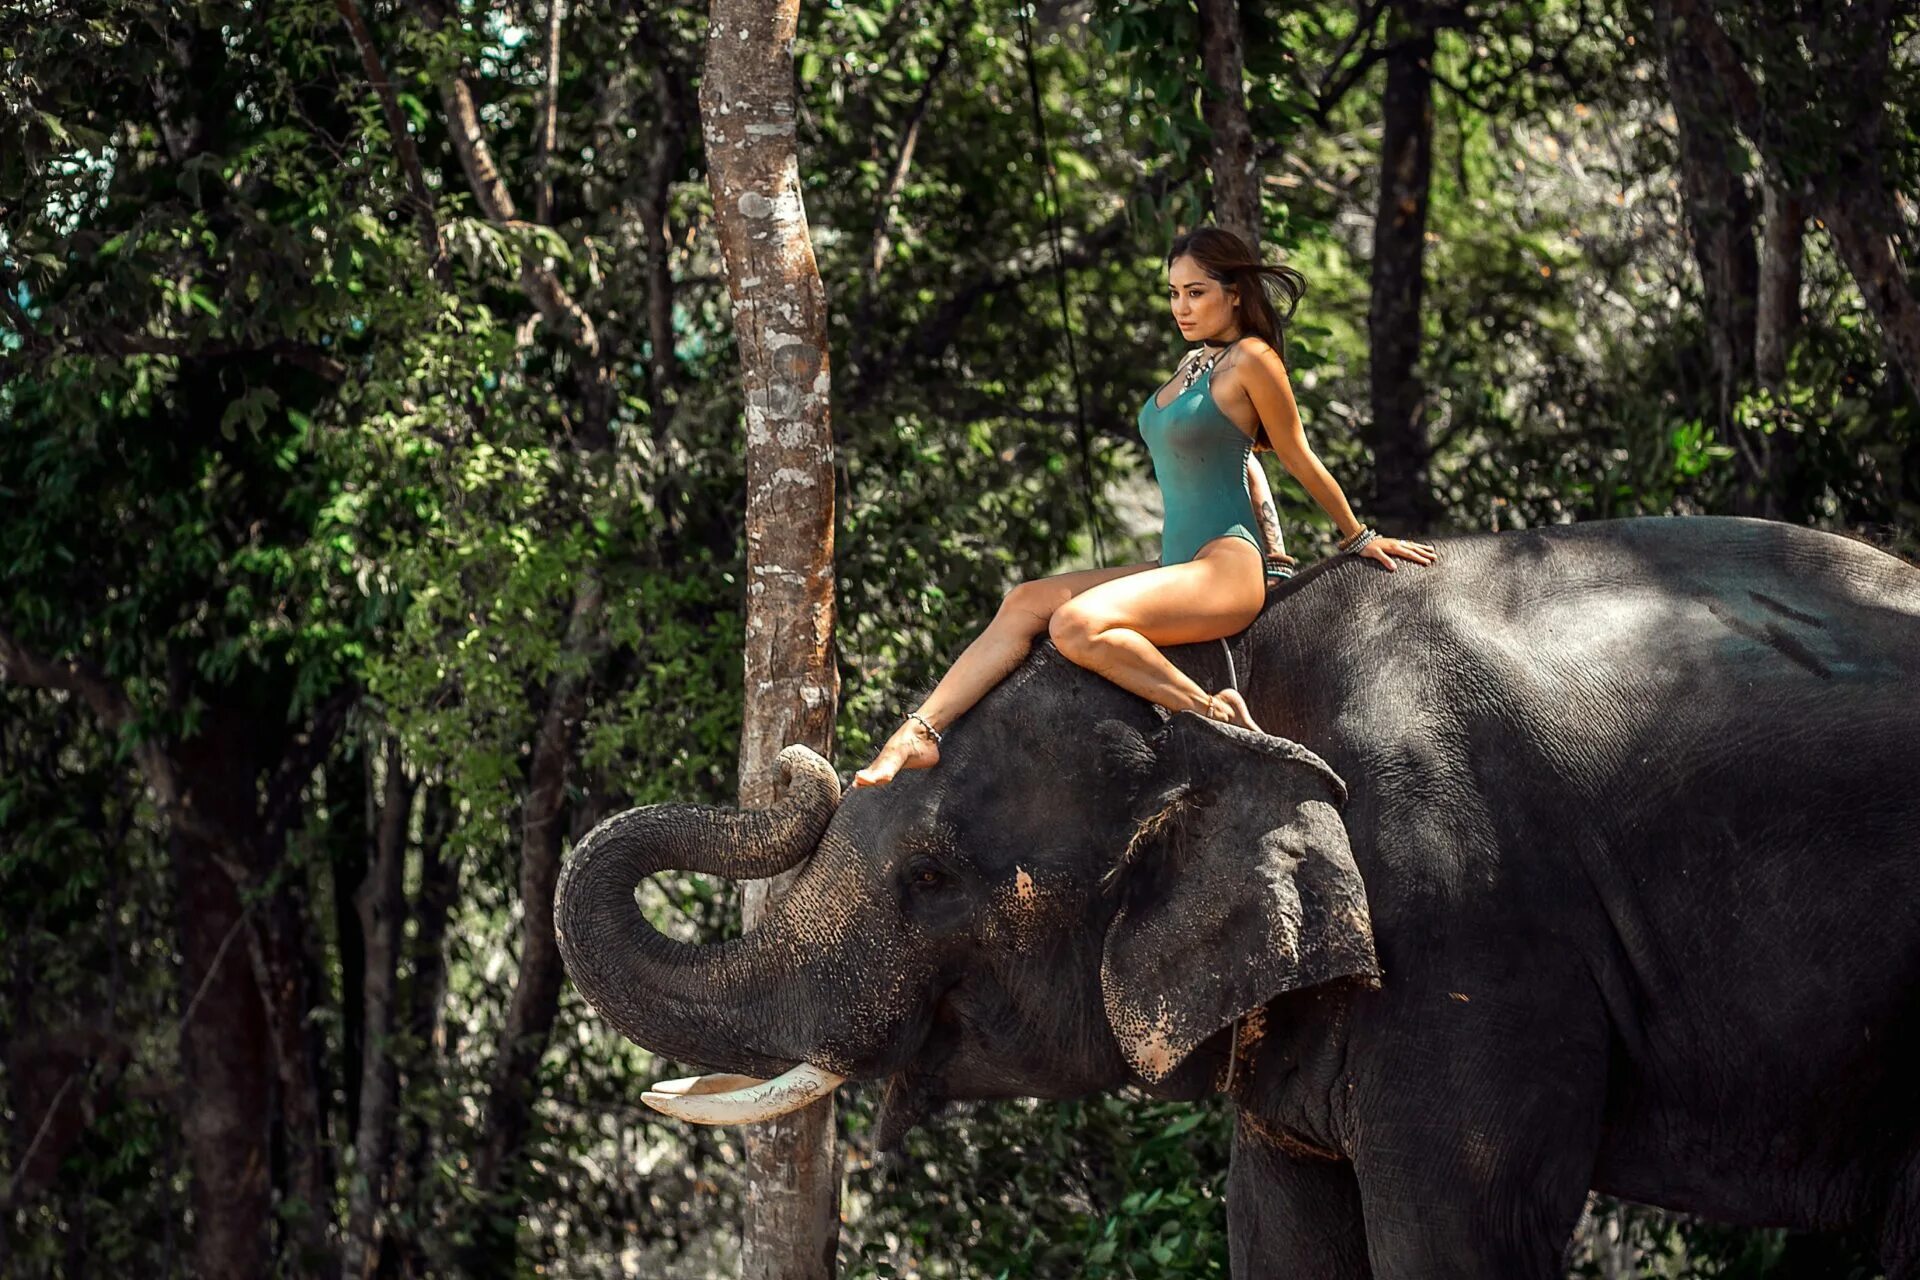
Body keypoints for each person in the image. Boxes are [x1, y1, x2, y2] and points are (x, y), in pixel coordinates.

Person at [851, 225, 1438, 788]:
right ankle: (918, 731)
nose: (1181, 307)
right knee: (1026, 600)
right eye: (1174, 294)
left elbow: (1297, 456)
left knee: (1074, 624)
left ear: (1235, 295)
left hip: (1226, 566)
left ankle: (1212, 710)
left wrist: (1359, 537)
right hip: (1177, 564)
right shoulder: (1192, 365)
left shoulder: (1252, 359)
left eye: (1197, 292)